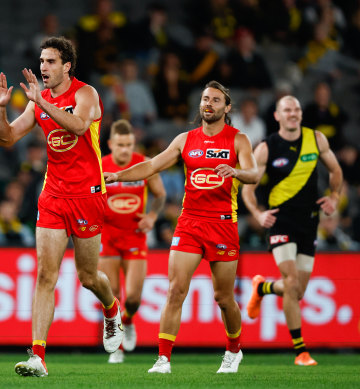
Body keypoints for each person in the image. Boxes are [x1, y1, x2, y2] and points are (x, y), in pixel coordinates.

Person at [0, 36, 124, 377]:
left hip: (88, 195)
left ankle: (111, 310)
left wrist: (41, 103)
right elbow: (6, 138)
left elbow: (79, 126)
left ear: (67, 66)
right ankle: (38, 356)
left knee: (88, 276)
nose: (43, 67)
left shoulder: (86, 94)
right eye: (42, 61)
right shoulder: (38, 100)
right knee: (45, 276)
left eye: (50, 61)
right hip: (53, 196)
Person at [104, 80, 258, 374]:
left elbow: (253, 175)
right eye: (204, 98)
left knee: (224, 298)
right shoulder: (185, 139)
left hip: (223, 225)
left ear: (227, 108)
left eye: (215, 100)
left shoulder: (239, 140)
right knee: (175, 290)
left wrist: (236, 171)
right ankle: (163, 359)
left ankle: (234, 350)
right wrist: (118, 175)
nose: (208, 104)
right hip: (189, 223)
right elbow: (151, 166)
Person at [242, 95, 343, 366]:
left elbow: (335, 169)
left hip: (309, 222)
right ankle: (301, 351)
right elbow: (247, 187)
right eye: (287, 110)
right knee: (291, 282)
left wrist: (334, 196)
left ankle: (262, 287)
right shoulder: (266, 147)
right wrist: (257, 213)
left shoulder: (316, 139)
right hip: (280, 221)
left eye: (296, 109)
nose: (292, 113)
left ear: (300, 113)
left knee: (296, 291)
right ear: (277, 116)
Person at [100, 119, 166, 364]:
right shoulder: (101, 165)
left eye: (129, 144)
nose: (125, 150)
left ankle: (127, 322)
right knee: (113, 294)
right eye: (120, 145)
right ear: (110, 144)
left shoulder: (144, 164)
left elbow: (160, 196)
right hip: (108, 235)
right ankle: (116, 347)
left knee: (135, 298)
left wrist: (152, 216)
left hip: (135, 235)